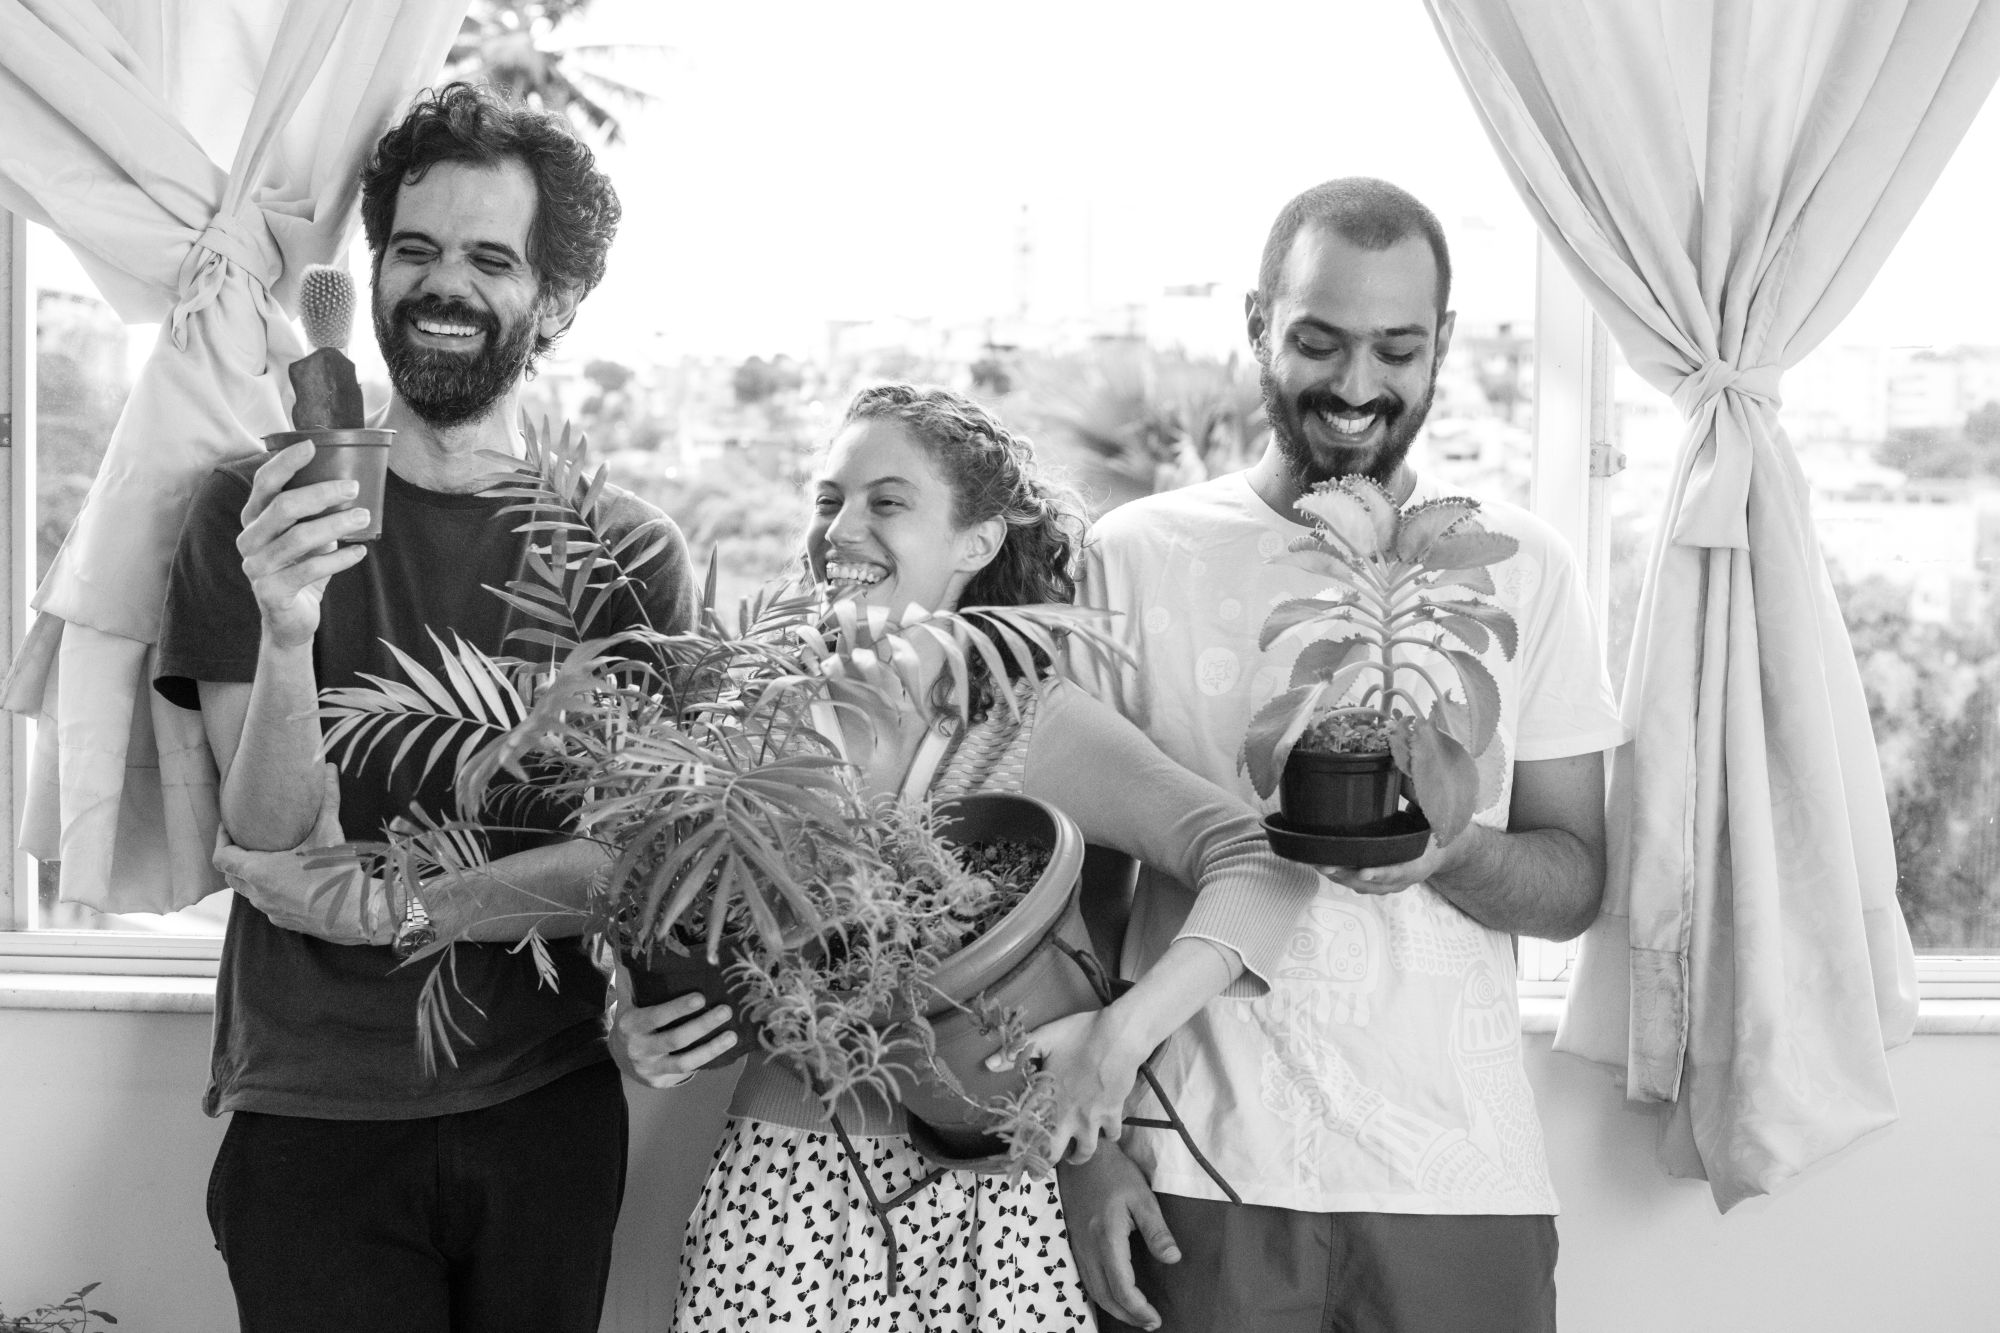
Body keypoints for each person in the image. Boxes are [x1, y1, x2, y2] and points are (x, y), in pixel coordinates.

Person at [152, 83, 697, 1333]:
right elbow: (273, 844)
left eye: (489, 259)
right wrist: (287, 625)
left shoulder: (626, 554)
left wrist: (404, 905)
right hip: (310, 1108)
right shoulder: (257, 509)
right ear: (374, 272)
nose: (441, 284)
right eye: (414, 249)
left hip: (542, 1101)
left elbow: (633, 863)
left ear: (554, 299)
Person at [612, 383, 1322, 1333]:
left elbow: (1257, 861)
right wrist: (632, 1024)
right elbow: (642, 911)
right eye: (828, 499)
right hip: (777, 1192)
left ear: (978, 542)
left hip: (991, 1220)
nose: (842, 528)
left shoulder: (1028, 727)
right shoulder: (757, 723)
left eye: (887, 501)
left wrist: (1115, 1042)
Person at [1062, 178, 1626, 1332]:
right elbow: (1074, 891)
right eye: (1318, 341)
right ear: (1256, 324)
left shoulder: (1522, 564)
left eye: (1395, 349)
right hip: (1190, 1167)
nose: (1357, 385)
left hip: (1453, 1177)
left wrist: (1449, 852)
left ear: (1441, 346)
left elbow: (1571, 881)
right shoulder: (1135, 554)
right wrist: (1082, 1153)